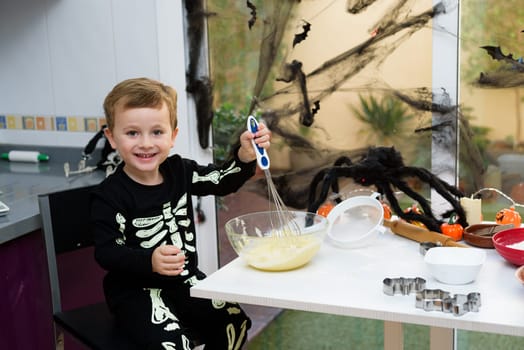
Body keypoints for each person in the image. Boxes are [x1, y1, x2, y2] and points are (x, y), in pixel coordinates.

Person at [90, 77, 271, 349]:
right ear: (112, 138)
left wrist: (244, 156)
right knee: (175, 345)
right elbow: (107, 252)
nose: (146, 143)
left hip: (185, 281)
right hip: (135, 291)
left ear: (173, 136)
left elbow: (221, 180)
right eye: (132, 133)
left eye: (157, 132)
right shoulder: (110, 195)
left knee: (235, 322)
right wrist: (148, 260)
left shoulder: (180, 172)